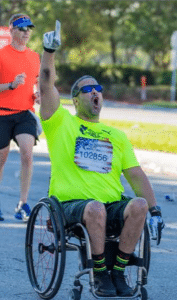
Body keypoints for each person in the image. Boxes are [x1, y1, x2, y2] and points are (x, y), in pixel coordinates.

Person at [39, 21, 164, 297]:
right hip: (71, 205)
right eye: (87, 89)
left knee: (139, 205)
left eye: (98, 88)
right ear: (74, 99)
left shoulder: (115, 135)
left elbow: (135, 175)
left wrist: (154, 210)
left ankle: (118, 271)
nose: (95, 91)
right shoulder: (61, 123)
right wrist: (49, 51)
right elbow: (46, 86)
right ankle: (99, 273)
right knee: (95, 208)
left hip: (109, 205)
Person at [0, 13, 40, 222]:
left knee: (27, 153)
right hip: (2, 112)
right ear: (12, 30)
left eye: (29, 28)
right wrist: (10, 85)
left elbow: (37, 82)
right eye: (22, 28)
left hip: (25, 113)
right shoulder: (1, 55)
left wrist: (39, 93)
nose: (26, 32)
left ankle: (22, 204)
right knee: (2, 157)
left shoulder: (34, 56)